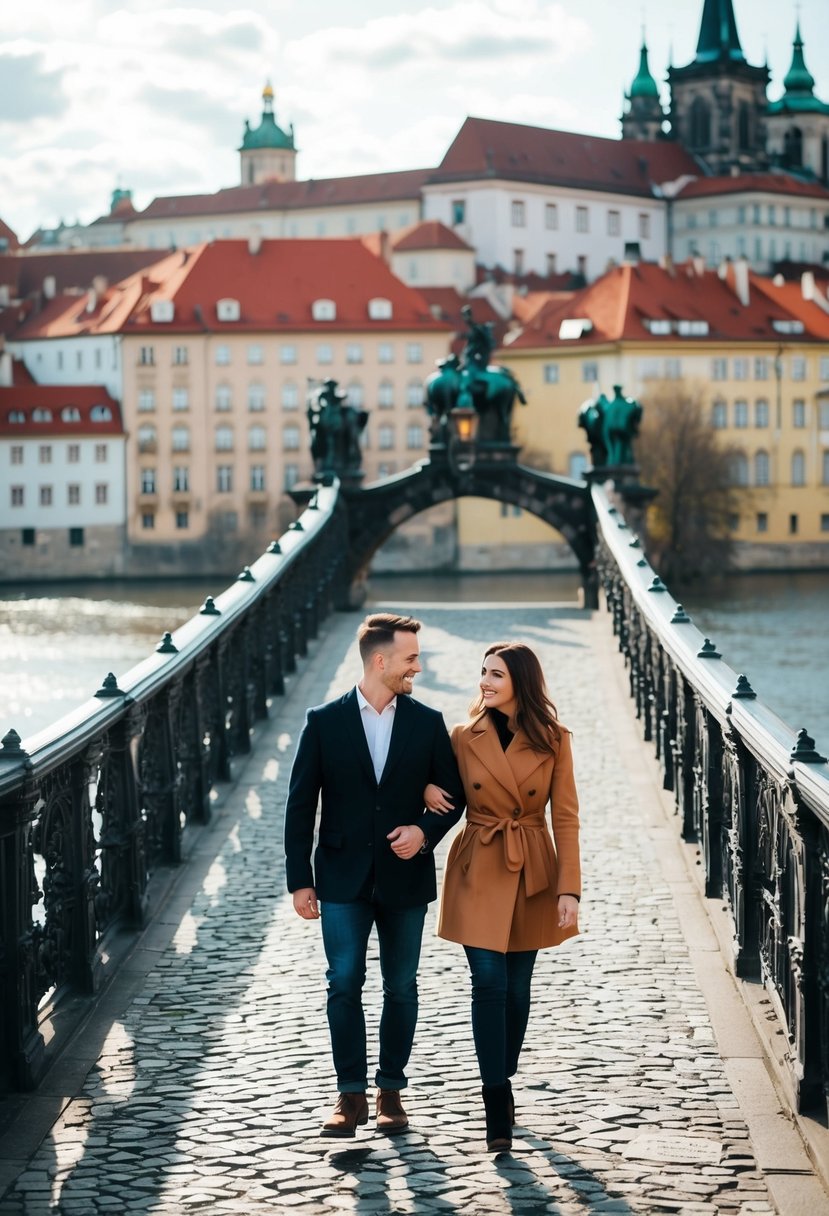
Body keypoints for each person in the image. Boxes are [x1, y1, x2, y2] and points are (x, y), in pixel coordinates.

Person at [284, 613, 465, 1139]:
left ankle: (390, 1091)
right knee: (343, 983)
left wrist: (424, 831)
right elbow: (300, 806)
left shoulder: (428, 721)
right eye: (411, 658)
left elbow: (452, 799)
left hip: (405, 879)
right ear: (380, 660)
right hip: (341, 877)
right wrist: (300, 879)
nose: (419, 666)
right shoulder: (323, 721)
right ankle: (349, 1095)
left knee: (402, 986)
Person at [426, 642, 581, 1152]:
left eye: (495, 674)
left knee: (518, 989)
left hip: (533, 866)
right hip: (479, 862)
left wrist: (569, 889)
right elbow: (439, 791)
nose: (484, 682)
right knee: (488, 983)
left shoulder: (555, 739)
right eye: (483, 673)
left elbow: (566, 818)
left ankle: (502, 1070)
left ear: (521, 682)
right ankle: (497, 1096)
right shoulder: (462, 736)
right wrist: (425, 792)